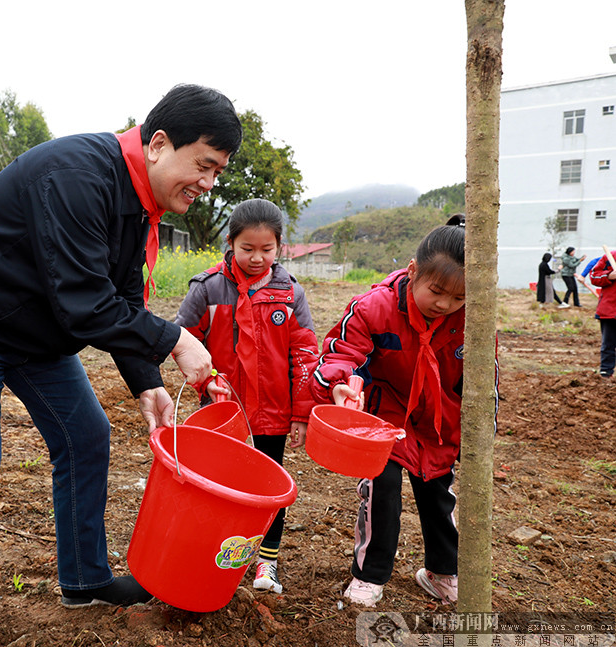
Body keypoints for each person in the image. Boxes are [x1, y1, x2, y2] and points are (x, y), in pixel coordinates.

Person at [0, 84, 243, 647]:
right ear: (160, 144)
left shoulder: (139, 203)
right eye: (205, 166)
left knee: (86, 437)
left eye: (218, 173)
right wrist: (178, 341)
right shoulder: (77, 174)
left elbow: (119, 297)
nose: (209, 184)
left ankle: (84, 579)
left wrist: (146, 384)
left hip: (35, 331)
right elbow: (85, 302)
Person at [311, 214, 497, 607]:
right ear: (413, 272)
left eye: (459, 297)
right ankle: (369, 576)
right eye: (437, 291)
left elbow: (483, 385)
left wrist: (477, 435)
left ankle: (441, 572)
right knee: (384, 490)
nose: (445, 304)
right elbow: (341, 352)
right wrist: (338, 382)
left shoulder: (473, 322)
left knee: (438, 496)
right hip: (386, 417)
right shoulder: (374, 308)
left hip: (438, 421)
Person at [173, 199, 320, 595]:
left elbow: (305, 355)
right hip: (223, 415)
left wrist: (302, 413)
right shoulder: (207, 289)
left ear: (279, 247)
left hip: (273, 415)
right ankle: (217, 556)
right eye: (247, 249)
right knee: (220, 488)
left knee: (269, 491)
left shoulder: (290, 294)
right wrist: (207, 383)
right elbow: (182, 339)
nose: (257, 258)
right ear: (230, 243)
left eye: (266, 250)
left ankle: (265, 564)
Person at [589, 254, 616, 378]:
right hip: (610, 310)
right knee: (608, 344)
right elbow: (594, 276)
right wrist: (609, 275)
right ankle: (606, 372)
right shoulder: (610, 257)